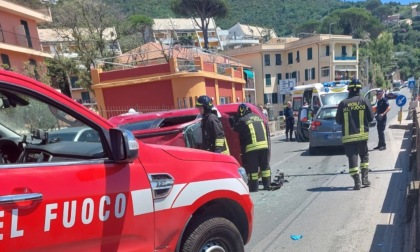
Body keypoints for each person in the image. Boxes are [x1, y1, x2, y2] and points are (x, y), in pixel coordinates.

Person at [335, 78, 374, 190]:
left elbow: (338, 120)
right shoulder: (364, 100)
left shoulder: (343, 104)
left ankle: (357, 182)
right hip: (362, 137)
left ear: (349, 90)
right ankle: (365, 179)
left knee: (353, 159)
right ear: (359, 90)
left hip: (348, 137)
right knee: (364, 156)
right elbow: (371, 118)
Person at [231, 103, 271, 192]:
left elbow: (235, 129)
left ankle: (254, 188)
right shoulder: (259, 117)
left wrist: (234, 120)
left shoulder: (243, 119)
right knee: (265, 167)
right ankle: (267, 185)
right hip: (264, 146)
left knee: (253, 170)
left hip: (252, 148)